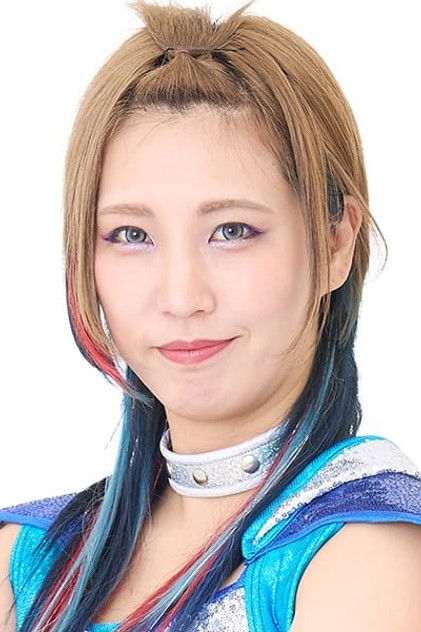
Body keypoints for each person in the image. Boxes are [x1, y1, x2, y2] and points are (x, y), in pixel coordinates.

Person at [1, 1, 421, 630]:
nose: (181, 297)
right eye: (131, 236)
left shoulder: (369, 556)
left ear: (336, 243)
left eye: (232, 230)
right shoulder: (28, 558)